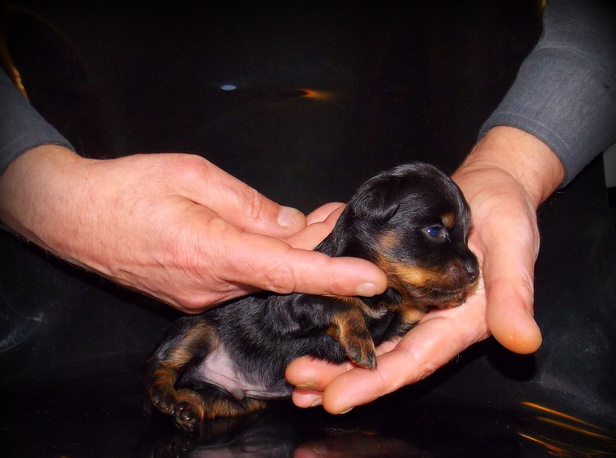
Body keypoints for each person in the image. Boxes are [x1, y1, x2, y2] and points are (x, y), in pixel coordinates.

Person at [1, 1, 614, 412]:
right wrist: (40, 187)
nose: (465, 260)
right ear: (374, 217)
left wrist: (509, 167)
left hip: (482, 394)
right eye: (436, 234)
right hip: (57, 322)